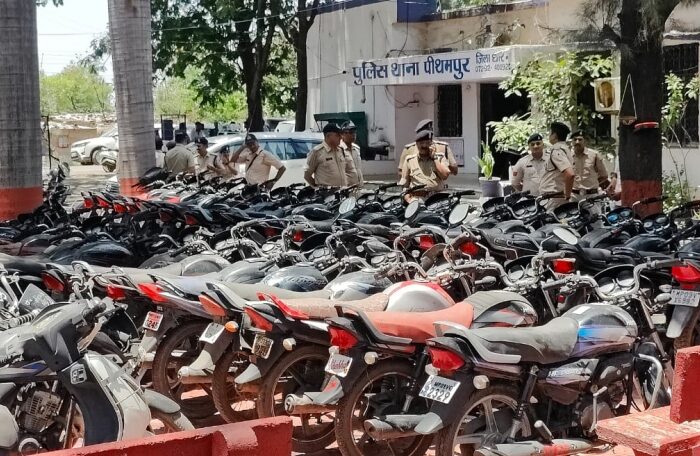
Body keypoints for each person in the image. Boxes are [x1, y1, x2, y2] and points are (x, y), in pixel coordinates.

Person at [400, 129, 451, 202]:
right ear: (416, 144)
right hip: (417, 200)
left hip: (437, 199)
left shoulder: (440, 157)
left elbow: (445, 175)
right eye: (421, 143)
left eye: (427, 143)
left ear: (432, 144)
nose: (424, 145)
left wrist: (434, 158)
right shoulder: (409, 160)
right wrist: (408, 199)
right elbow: (404, 185)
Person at [304, 123, 358, 188]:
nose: (341, 137)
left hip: (342, 193)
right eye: (337, 135)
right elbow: (307, 175)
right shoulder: (317, 152)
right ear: (328, 136)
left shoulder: (340, 150)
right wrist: (318, 188)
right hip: (326, 195)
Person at [539, 121, 575, 210]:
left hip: (553, 199)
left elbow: (570, 174)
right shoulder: (565, 149)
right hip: (554, 198)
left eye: (550, 133)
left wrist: (567, 194)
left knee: (550, 223)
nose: (549, 135)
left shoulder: (557, 150)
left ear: (554, 135)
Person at [569, 129, 610, 202]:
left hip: (591, 195)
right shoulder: (568, 156)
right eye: (574, 139)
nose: (577, 142)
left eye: (580, 140)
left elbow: (604, 176)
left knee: (594, 213)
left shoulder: (594, 155)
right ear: (572, 141)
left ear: (585, 141)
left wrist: (593, 183)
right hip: (574, 196)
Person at [340, 121, 364, 187]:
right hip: (347, 189)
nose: (353, 135)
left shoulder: (356, 148)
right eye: (350, 133)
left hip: (359, 187)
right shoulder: (339, 150)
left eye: (354, 132)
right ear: (342, 135)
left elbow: (358, 168)